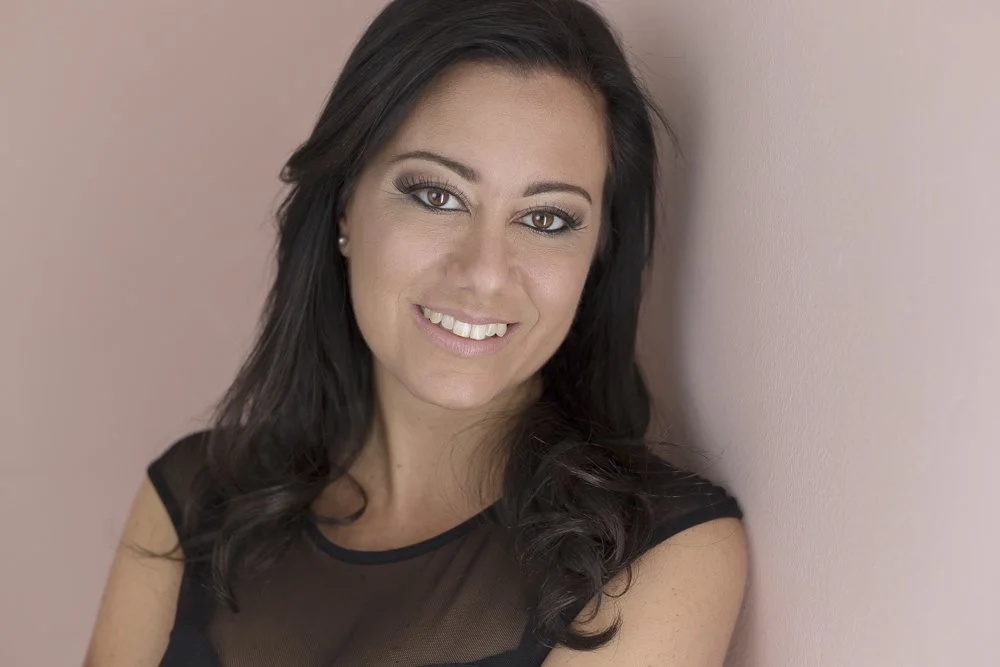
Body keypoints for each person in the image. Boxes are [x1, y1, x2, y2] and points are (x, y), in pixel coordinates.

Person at [85, 0, 747, 665]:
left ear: (598, 254)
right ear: (345, 205)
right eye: (437, 196)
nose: (484, 273)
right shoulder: (192, 499)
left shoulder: (655, 553)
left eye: (546, 219)